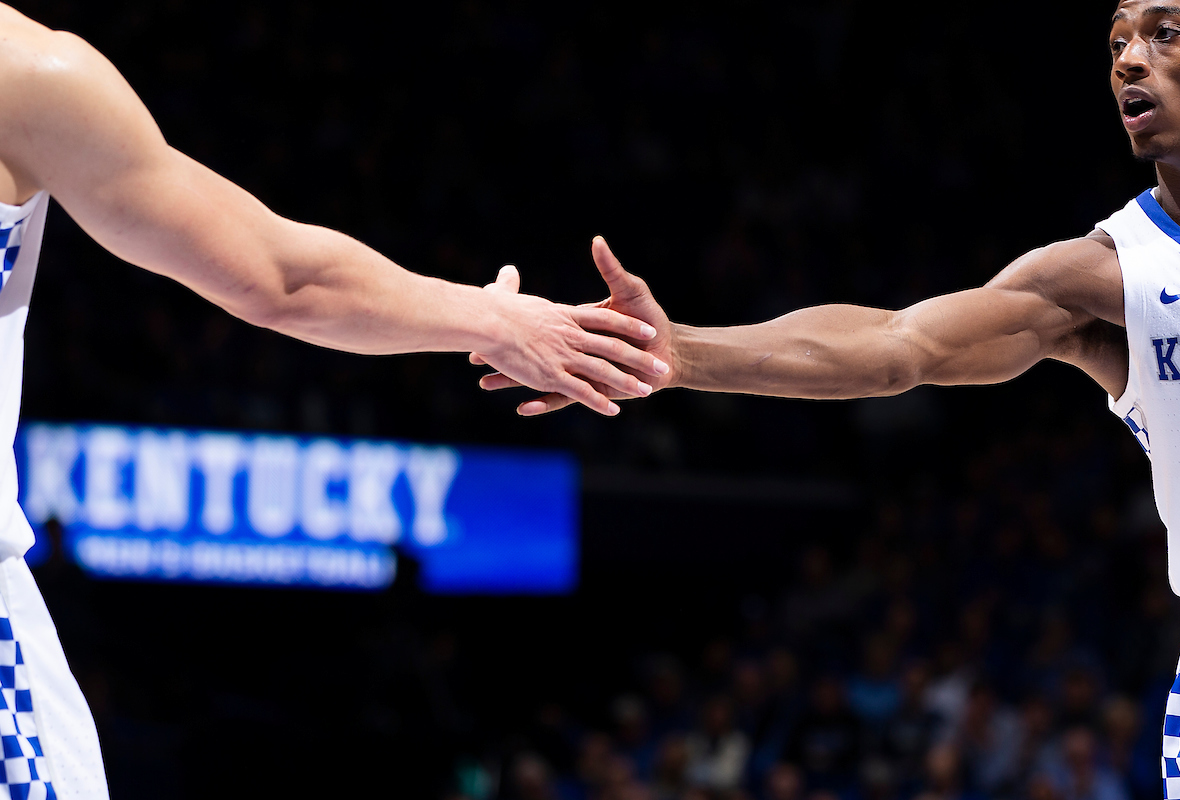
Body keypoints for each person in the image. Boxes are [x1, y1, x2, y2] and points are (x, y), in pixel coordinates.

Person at [472, 2, 1180, 798]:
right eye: (1117, 41)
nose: (1128, 59)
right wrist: (681, 353)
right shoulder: (1104, 276)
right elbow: (897, 345)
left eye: (1165, 32)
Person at [0, 4, 677, 798]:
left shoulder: (31, 77)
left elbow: (282, 276)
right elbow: (279, 279)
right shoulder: (31, 74)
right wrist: (495, 320)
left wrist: (496, 320)